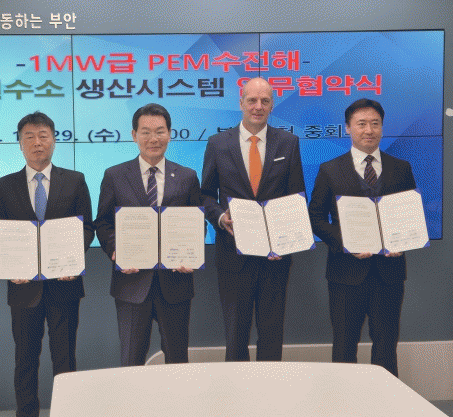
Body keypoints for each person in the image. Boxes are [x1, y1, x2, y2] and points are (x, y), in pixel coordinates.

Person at [0, 112, 94, 417]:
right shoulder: (3, 186)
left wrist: (73, 259)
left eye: (43, 136)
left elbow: (86, 227)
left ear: (54, 140)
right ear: (20, 143)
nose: (37, 142)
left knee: (65, 359)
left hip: (65, 285)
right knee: (25, 359)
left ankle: (67, 412)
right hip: (23, 288)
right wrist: (11, 266)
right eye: (30, 137)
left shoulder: (75, 180)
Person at [309, 98, 416, 377]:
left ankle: (386, 399)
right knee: (344, 348)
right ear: (348, 128)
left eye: (375, 123)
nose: (369, 130)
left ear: (382, 127)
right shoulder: (330, 169)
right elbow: (315, 217)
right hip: (345, 274)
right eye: (361, 124)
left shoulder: (401, 168)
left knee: (386, 347)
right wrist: (345, 242)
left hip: (389, 273)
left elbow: (410, 216)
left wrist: (403, 242)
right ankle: (344, 399)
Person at [201, 77, 305, 362]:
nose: (258, 106)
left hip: (275, 259)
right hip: (233, 256)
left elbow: (296, 198)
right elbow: (205, 195)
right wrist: (221, 217)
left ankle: (269, 390)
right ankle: (237, 390)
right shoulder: (218, 144)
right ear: (241, 103)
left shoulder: (288, 143)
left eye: (265, 101)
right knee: (235, 336)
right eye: (252, 100)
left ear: (272, 105)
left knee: (272, 334)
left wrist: (286, 241)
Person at [95, 103, 202, 366]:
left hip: (175, 283)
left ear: (170, 134)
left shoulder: (187, 176)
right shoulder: (115, 175)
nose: (153, 139)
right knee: (131, 360)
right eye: (146, 132)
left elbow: (197, 224)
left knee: (177, 360)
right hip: (131, 284)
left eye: (160, 131)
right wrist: (115, 251)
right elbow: (103, 223)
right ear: (134, 135)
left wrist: (191, 253)